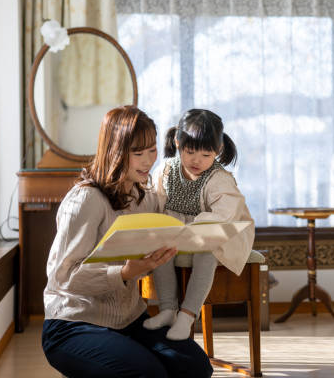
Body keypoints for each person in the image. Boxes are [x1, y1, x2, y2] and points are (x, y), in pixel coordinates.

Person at [41, 106, 213, 378]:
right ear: (115, 151)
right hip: (73, 323)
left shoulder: (145, 197)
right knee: (150, 374)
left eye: (152, 151)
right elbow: (62, 278)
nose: (148, 161)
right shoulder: (86, 200)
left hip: (129, 319)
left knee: (196, 367)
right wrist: (124, 273)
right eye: (138, 153)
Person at [143, 108, 255, 340]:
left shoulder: (218, 179)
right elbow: (153, 202)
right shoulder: (166, 171)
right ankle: (167, 309)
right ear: (177, 143)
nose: (196, 160)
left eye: (206, 155)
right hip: (176, 233)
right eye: (190, 151)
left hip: (216, 233)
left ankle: (186, 315)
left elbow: (225, 214)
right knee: (160, 247)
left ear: (218, 151)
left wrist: (192, 228)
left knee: (206, 252)